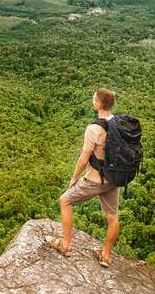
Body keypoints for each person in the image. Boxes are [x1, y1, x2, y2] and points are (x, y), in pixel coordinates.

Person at [47, 88, 119, 267]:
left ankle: (65, 245)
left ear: (98, 104)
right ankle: (106, 256)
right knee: (113, 217)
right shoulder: (118, 123)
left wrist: (74, 177)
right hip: (114, 179)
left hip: (95, 180)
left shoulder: (94, 128)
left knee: (65, 201)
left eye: (94, 98)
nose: (92, 99)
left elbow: (83, 159)